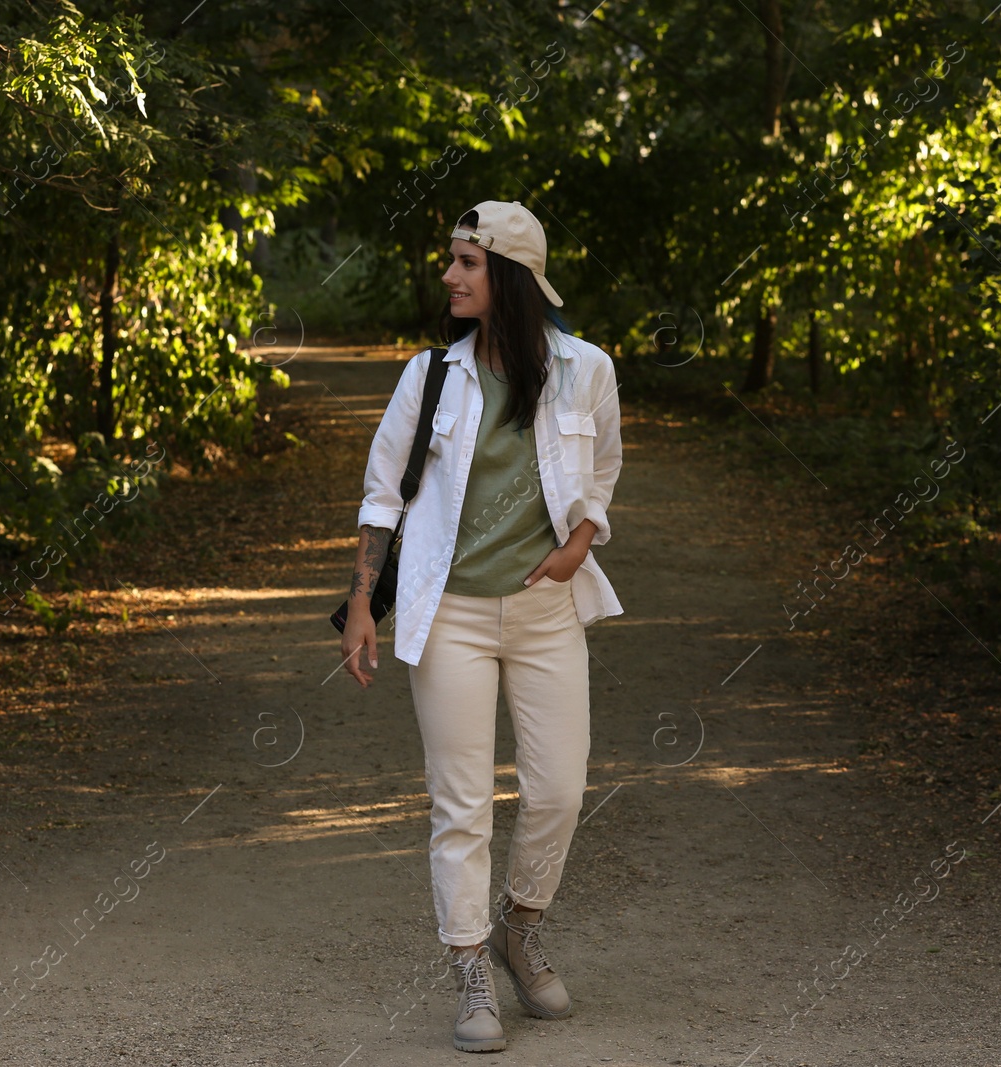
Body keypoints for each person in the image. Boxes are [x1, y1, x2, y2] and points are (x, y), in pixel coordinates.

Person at [341, 199, 624, 1053]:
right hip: (451, 613)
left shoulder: (588, 370)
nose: (450, 275)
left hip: (546, 612)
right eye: (451, 261)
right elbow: (382, 490)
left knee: (559, 789)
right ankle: (469, 966)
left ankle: (519, 927)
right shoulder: (430, 375)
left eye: (466, 262)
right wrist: (361, 597)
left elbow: (602, 468)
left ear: (507, 275)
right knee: (460, 804)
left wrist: (579, 542)